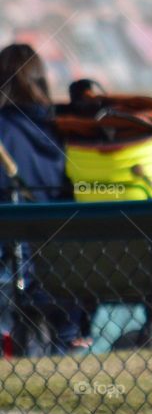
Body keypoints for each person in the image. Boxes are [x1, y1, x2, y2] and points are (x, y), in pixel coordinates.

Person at [0, 42, 91, 353]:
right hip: (69, 267)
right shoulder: (63, 131)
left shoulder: (4, 132)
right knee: (65, 350)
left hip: (11, 268)